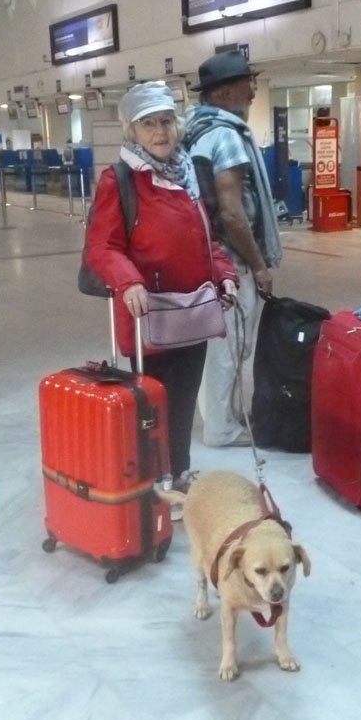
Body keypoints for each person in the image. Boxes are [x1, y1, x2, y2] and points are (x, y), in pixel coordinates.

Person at [83, 82, 238, 510]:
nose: (160, 131)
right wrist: (127, 280)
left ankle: (179, 474)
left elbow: (209, 240)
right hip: (148, 317)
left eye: (166, 121)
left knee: (184, 399)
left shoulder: (190, 173)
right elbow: (102, 247)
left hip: (193, 312)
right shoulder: (120, 181)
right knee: (150, 403)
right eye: (148, 123)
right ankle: (151, 483)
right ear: (132, 131)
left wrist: (223, 275)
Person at [182, 51, 283, 447]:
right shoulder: (225, 136)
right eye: (247, 83)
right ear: (225, 93)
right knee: (232, 342)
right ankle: (221, 428)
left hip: (204, 253)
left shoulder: (195, 129)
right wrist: (257, 265)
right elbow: (232, 211)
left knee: (216, 340)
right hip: (230, 258)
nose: (254, 90)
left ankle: (216, 414)